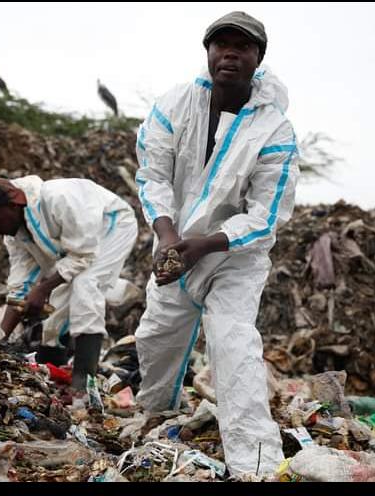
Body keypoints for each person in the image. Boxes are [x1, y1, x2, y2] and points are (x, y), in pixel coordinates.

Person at [133, 11, 300, 476]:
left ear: (257, 58)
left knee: (233, 345)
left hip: (233, 258)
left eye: (241, 47)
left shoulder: (275, 131)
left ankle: (256, 462)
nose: (229, 53)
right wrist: (168, 236)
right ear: (207, 52)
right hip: (175, 246)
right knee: (155, 339)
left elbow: (266, 216)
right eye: (220, 44)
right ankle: (156, 416)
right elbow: (152, 173)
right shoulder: (174, 104)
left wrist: (204, 245)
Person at [0, 175, 138, 390]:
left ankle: (83, 384)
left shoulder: (57, 199)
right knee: (56, 309)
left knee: (86, 286)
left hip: (112, 225)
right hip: (78, 245)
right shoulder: (14, 233)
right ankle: (51, 378)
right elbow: (21, 284)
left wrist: (42, 289)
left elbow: (83, 255)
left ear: (13, 205)